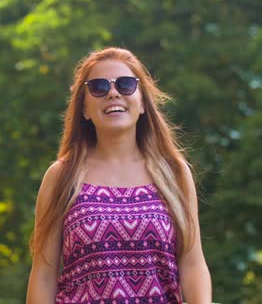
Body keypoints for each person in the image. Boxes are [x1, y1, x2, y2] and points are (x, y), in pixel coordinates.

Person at [27, 48, 211, 303]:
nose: (113, 93)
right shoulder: (62, 176)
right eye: (98, 87)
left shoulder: (174, 173)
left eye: (126, 85)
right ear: (84, 109)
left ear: (143, 102)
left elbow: (192, 262)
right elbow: (44, 273)